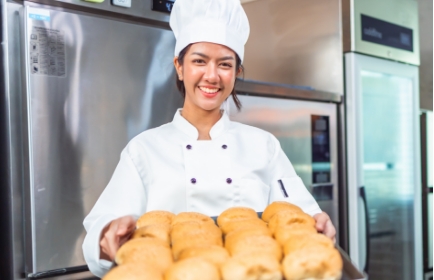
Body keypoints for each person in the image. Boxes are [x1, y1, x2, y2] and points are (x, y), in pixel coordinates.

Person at [82, 0, 336, 277]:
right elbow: (102, 230)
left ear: (237, 72)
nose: (212, 75)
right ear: (179, 66)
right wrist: (107, 237)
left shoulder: (264, 146)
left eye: (225, 64)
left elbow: (300, 219)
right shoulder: (143, 150)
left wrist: (319, 222)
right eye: (199, 61)